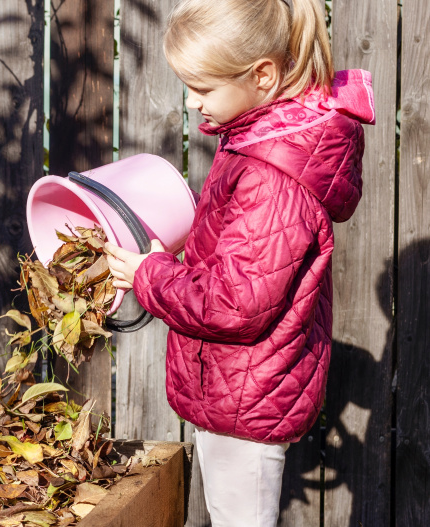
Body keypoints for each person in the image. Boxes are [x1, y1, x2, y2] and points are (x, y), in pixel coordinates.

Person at [105, 0, 375, 525]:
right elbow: (241, 260)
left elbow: (234, 304)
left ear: (263, 75)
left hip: (245, 401)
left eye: (202, 89)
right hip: (239, 389)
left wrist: (148, 274)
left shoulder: (272, 174)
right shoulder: (259, 139)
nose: (190, 102)